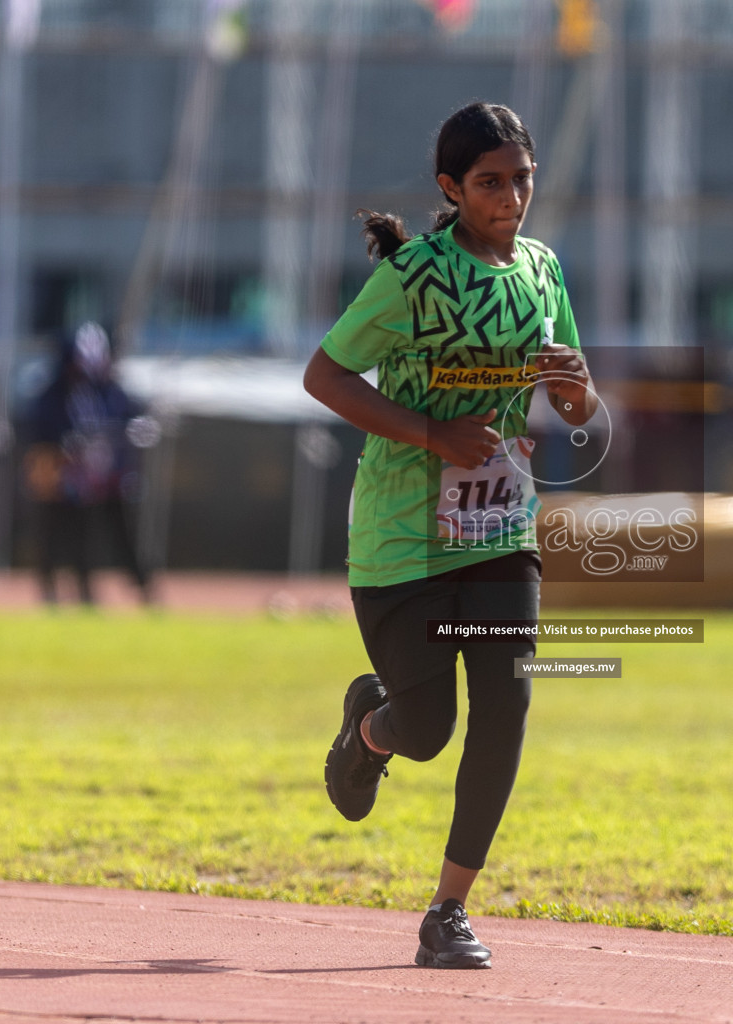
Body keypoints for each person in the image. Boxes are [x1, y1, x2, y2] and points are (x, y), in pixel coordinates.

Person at [302, 101, 594, 969]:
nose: (510, 197)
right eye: (489, 182)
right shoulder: (414, 276)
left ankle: (448, 911)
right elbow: (324, 374)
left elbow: (575, 405)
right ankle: (371, 732)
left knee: (505, 710)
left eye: (521, 179)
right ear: (450, 189)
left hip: (501, 527)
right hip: (402, 538)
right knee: (428, 729)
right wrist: (434, 434)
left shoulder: (543, 272)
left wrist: (576, 388)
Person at [23, 321, 154, 605]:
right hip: (59, 477)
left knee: (114, 535)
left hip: (101, 479)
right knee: (58, 536)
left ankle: (138, 591)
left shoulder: (105, 391)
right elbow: (41, 433)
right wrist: (65, 447)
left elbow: (123, 421)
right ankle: (56, 593)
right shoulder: (52, 395)